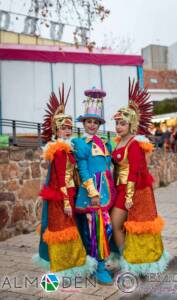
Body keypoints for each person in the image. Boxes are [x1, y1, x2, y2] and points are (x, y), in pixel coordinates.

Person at [33, 84, 97, 277]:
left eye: (69, 127)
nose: (67, 131)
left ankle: (66, 266)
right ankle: (65, 268)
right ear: (56, 130)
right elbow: (61, 178)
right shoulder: (60, 150)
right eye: (63, 128)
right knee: (63, 230)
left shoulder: (66, 148)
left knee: (66, 229)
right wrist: (68, 202)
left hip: (65, 195)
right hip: (62, 197)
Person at [111, 78, 169, 275]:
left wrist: (128, 197)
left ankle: (132, 260)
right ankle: (124, 257)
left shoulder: (135, 143)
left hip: (134, 192)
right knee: (117, 226)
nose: (118, 126)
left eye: (123, 123)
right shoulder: (118, 141)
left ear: (131, 124)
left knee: (125, 225)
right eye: (117, 123)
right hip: (118, 189)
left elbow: (136, 172)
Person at [72, 87, 115, 285]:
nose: (91, 125)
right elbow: (83, 170)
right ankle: (98, 267)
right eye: (88, 121)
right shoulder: (81, 144)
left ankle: (96, 264)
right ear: (83, 123)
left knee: (104, 229)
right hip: (93, 194)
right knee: (96, 229)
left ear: (98, 124)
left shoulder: (105, 143)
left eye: (95, 122)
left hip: (106, 193)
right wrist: (93, 192)